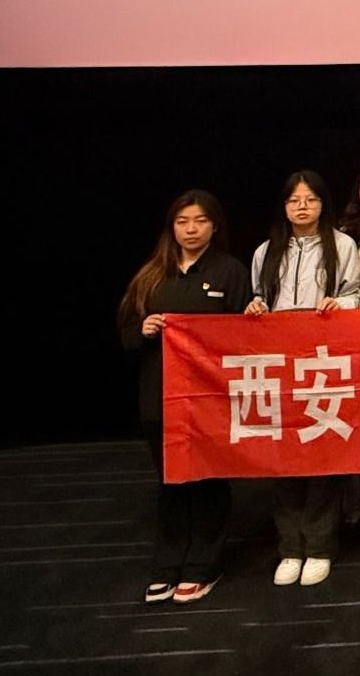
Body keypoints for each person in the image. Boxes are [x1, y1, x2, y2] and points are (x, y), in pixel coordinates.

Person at [116, 190, 252, 604]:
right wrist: (143, 330)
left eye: (200, 221)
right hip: (160, 396)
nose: (191, 230)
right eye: (182, 222)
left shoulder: (229, 271)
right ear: (171, 227)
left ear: (215, 226)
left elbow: (245, 337)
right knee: (171, 481)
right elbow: (125, 333)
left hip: (209, 397)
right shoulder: (152, 274)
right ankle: (168, 564)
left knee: (208, 481)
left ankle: (203, 565)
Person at [245, 171, 360, 587]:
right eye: (294, 200)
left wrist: (341, 304)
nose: (302, 207)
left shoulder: (343, 246)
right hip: (279, 367)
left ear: (323, 204)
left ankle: (320, 545)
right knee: (285, 458)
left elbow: (355, 294)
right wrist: (255, 306)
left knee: (323, 455)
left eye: (310, 200)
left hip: (323, 365)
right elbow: (258, 296)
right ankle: (290, 546)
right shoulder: (265, 251)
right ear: (284, 206)